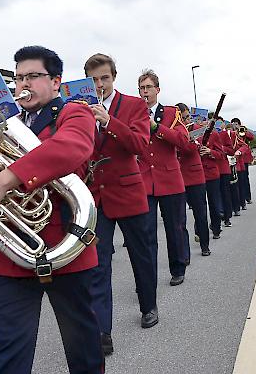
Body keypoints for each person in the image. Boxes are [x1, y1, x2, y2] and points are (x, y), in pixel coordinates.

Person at [0, 46, 104, 373]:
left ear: (55, 82)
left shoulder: (73, 112)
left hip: (65, 248)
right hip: (10, 251)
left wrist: (4, 180)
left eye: (32, 76)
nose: (23, 84)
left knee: (82, 345)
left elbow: (72, 148)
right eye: (18, 78)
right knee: (11, 351)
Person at [84, 53, 158, 356]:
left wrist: (108, 120)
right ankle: (103, 331)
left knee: (141, 254)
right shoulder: (78, 108)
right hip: (96, 196)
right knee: (98, 264)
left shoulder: (133, 105)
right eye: (94, 79)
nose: (100, 84)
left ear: (114, 77)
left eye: (104, 78)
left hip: (128, 192)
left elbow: (140, 145)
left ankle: (148, 305)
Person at [138, 69, 189, 286]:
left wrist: (156, 127)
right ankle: (149, 278)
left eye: (148, 87)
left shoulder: (171, 113)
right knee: (146, 233)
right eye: (141, 88)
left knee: (174, 227)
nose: (145, 92)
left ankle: (178, 268)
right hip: (145, 181)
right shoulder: (134, 112)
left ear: (157, 90)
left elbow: (183, 141)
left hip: (170, 180)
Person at [176, 103, 210, 257]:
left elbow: (192, 149)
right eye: (183, 117)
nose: (187, 119)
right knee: (179, 220)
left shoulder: (194, 130)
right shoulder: (174, 129)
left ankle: (205, 245)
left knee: (200, 214)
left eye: (188, 116)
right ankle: (184, 254)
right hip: (178, 178)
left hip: (195, 178)